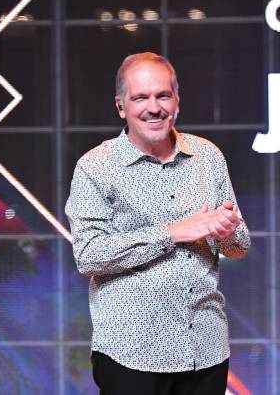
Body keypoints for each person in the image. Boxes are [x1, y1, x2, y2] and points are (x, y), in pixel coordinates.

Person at [66, 52, 250, 395]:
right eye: (140, 98)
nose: (154, 107)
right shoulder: (95, 167)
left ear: (177, 101)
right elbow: (88, 255)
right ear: (121, 106)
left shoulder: (208, 157)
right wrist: (171, 233)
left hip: (205, 348)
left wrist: (227, 234)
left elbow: (239, 246)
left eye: (163, 95)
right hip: (131, 354)